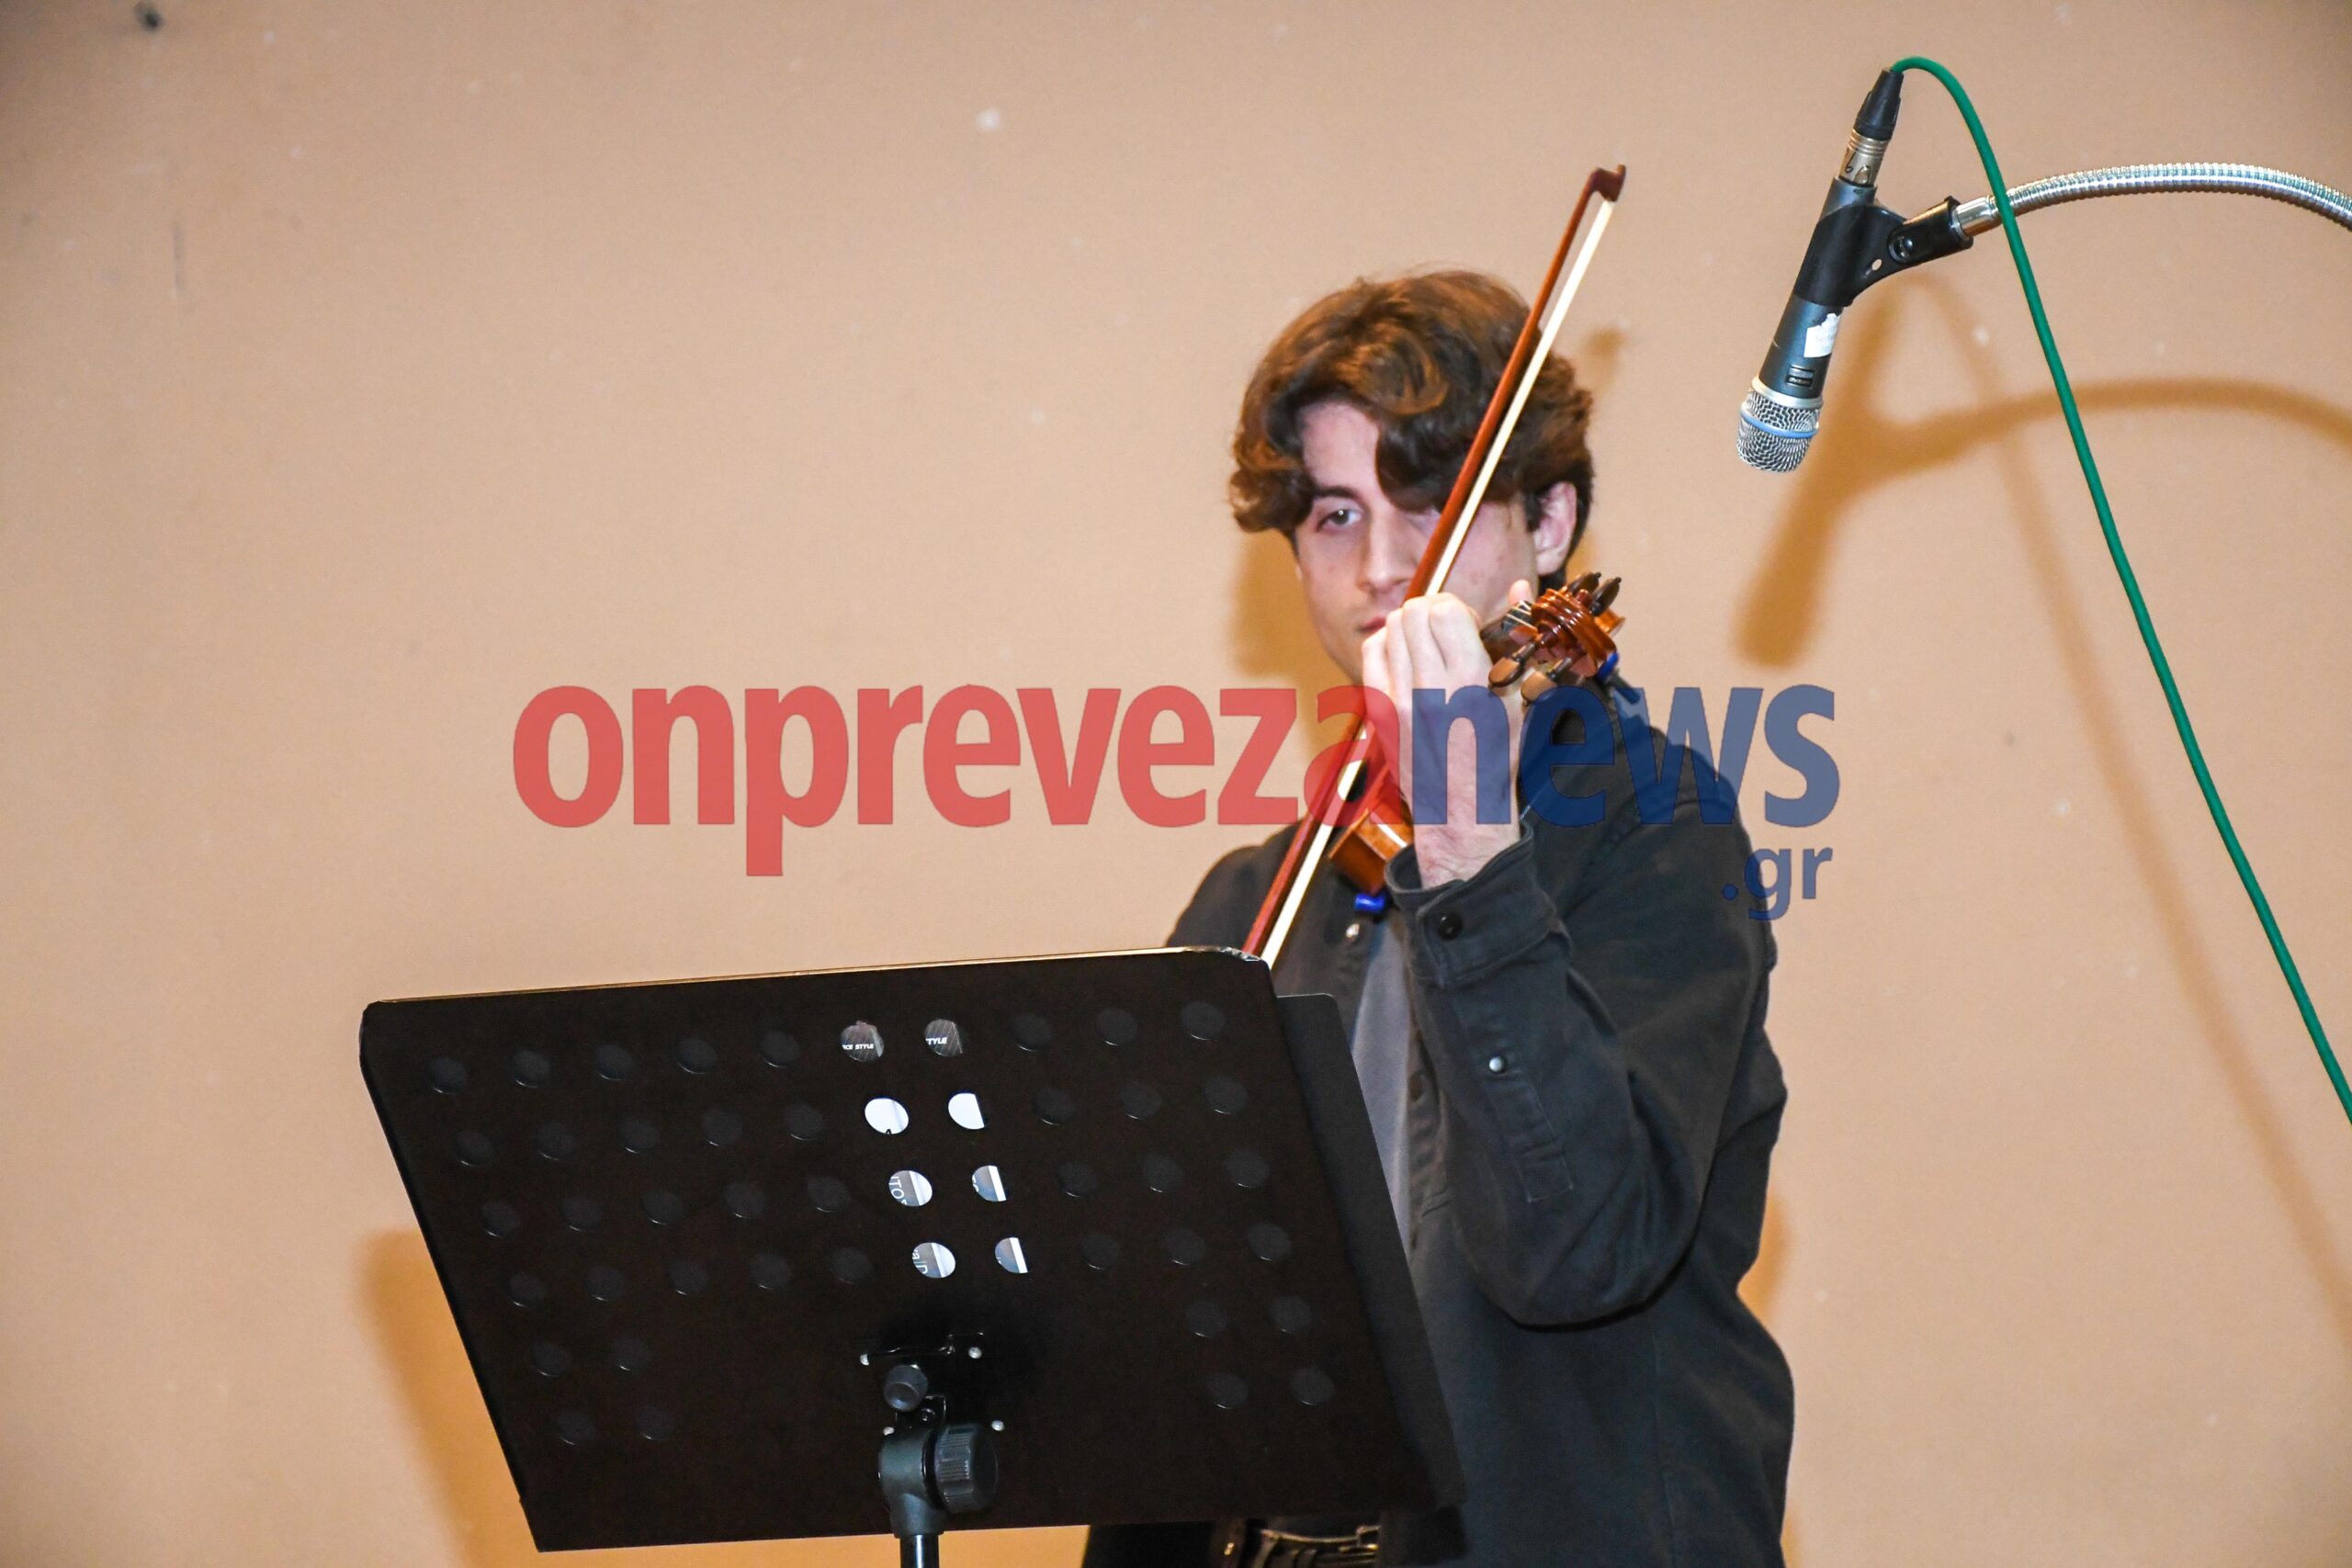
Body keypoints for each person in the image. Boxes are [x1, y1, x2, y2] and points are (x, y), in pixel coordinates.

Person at [1082, 272, 1793, 1567]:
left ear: (1549, 522)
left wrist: (1469, 850)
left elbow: (1574, 1254)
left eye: (1428, 503)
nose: (1380, 567)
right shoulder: (1258, 896)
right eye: (1336, 514)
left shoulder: (1662, 835)